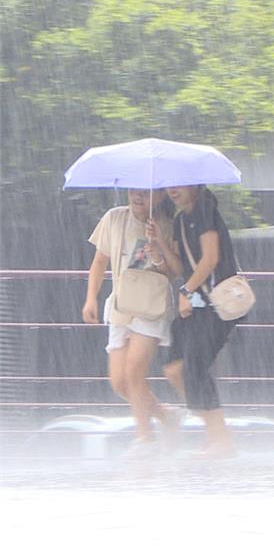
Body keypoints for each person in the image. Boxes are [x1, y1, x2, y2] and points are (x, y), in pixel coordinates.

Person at [82, 188, 185, 458]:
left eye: (146, 193)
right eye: (134, 191)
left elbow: (174, 272)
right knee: (119, 381)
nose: (138, 197)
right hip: (121, 304)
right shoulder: (114, 218)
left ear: (160, 197)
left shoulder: (168, 225)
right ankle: (165, 415)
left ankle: (145, 438)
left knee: (134, 371)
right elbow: (99, 260)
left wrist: (158, 247)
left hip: (151, 304)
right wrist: (90, 298)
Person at [156, 185, 241, 459]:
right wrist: (159, 241)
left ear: (195, 185)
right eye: (169, 185)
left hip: (215, 304)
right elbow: (182, 267)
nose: (173, 190)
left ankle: (220, 439)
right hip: (195, 306)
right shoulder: (181, 220)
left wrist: (186, 291)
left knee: (195, 366)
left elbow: (211, 258)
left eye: (179, 185)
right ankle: (214, 433)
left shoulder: (206, 210)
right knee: (174, 368)